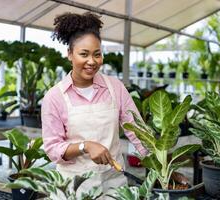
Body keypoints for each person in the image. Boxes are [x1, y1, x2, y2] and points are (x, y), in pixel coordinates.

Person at [41, 12, 147, 198]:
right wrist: (85, 146)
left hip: (113, 183)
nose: (92, 61)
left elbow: (137, 131)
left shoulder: (115, 87)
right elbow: (53, 149)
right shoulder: (54, 97)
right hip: (74, 186)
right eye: (84, 54)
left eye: (97, 54)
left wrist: (163, 168)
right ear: (70, 54)